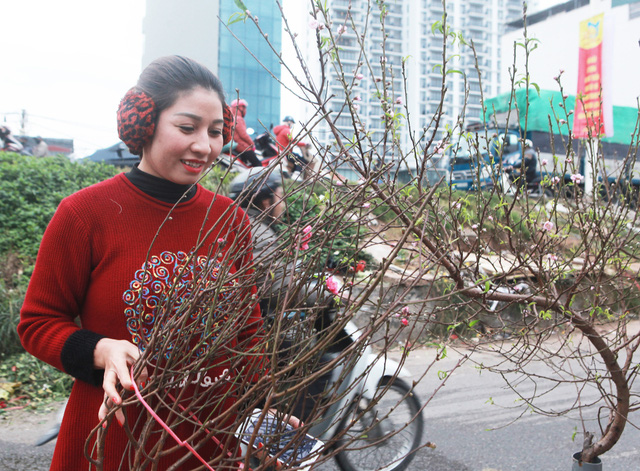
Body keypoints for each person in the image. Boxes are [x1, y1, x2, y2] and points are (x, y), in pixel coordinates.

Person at [18, 55, 269, 470]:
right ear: (144, 123)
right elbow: (37, 323)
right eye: (187, 128)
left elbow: (248, 333)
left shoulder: (231, 219)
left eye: (215, 132)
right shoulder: (85, 214)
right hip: (113, 443)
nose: (204, 146)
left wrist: (260, 416)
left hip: (208, 442)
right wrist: (100, 348)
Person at [229, 98, 261, 167]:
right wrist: (252, 144)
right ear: (240, 108)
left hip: (237, 146)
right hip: (243, 147)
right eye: (245, 108)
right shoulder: (238, 118)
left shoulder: (232, 118)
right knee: (258, 165)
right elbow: (243, 135)